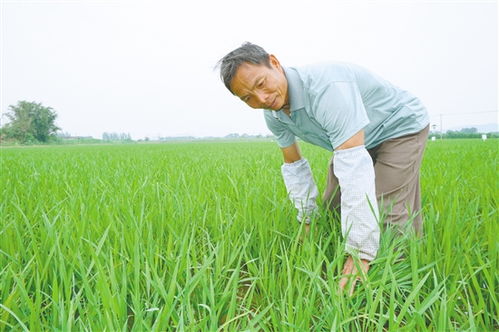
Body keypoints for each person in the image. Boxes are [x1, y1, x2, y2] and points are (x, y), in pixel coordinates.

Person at [217, 42, 429, 294]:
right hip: (355, 138)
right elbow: (294, 166)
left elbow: (354, 172)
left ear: (274, 63)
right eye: (247, 98)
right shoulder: (273, 114)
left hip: (398, 128)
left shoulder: (327, 88)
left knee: (387, 207)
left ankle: (396, 285)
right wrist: (307, 222)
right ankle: (350, 258)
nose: (261, 99)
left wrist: (360, 253)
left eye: (261, 84)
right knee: (332, 207)